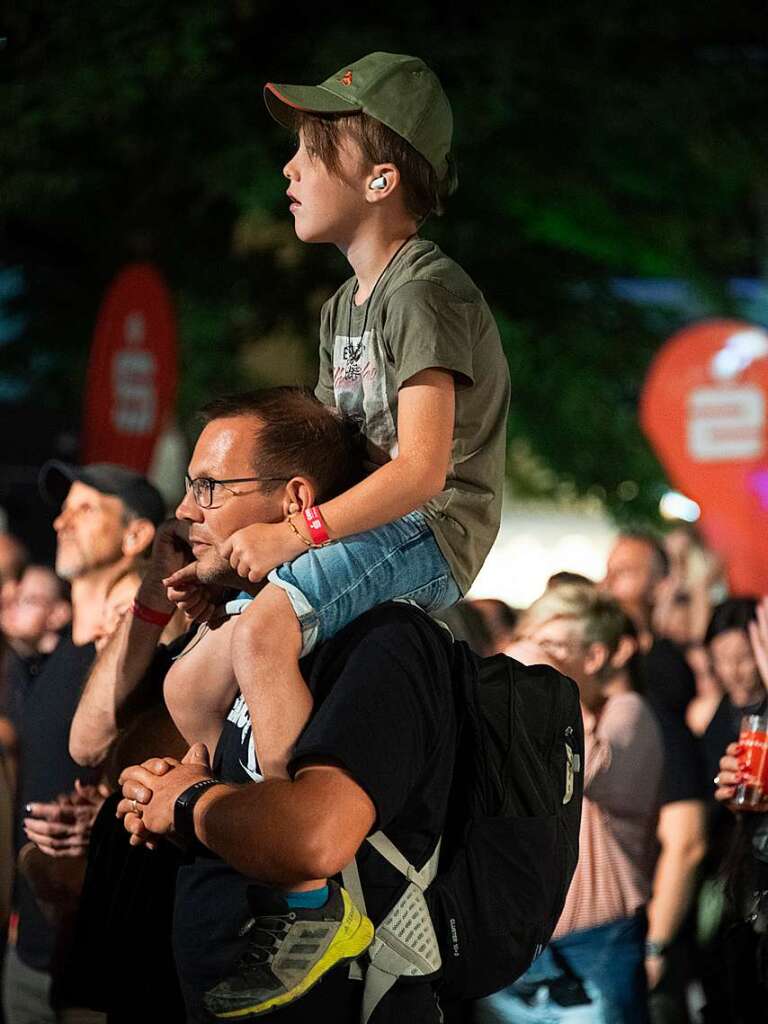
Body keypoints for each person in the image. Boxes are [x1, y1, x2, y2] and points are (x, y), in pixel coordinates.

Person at [163, 51, 510, 1014]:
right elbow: (338, 453)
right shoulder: (340, 308)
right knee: (223, 647)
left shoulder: (425, 289)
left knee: (270, 630)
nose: (289, 170)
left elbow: (422, 470)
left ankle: (312, 897)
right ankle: (236, 801)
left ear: (380, 177)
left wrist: (294, 538)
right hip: (367, 523)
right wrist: (237, 568)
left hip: (430, 531)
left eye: (314, 150)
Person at [84, 388, 450, 1021]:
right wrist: (159, 795)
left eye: (209, 488)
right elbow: (117, 742)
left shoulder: (382, 642)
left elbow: (310, 838)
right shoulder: (245, 629)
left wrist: (192, 803)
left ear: (296, 502)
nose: (184, 510)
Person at [2, 462, 164, 1024]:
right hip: (29, 956)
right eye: (63, 507)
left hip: (108, 965)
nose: (61, 521)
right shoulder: (51, 664)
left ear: (137, 535)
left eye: (85, 507)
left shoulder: (149, 658)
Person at [475, 584, 663, 1024]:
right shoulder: (526, 723)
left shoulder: (628, 712)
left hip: (595, 948)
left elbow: (587, 767)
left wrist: (539, 666)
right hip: (517, 946)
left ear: (594, 658)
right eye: (533, 643)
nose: (532, 659)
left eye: (553, 646)